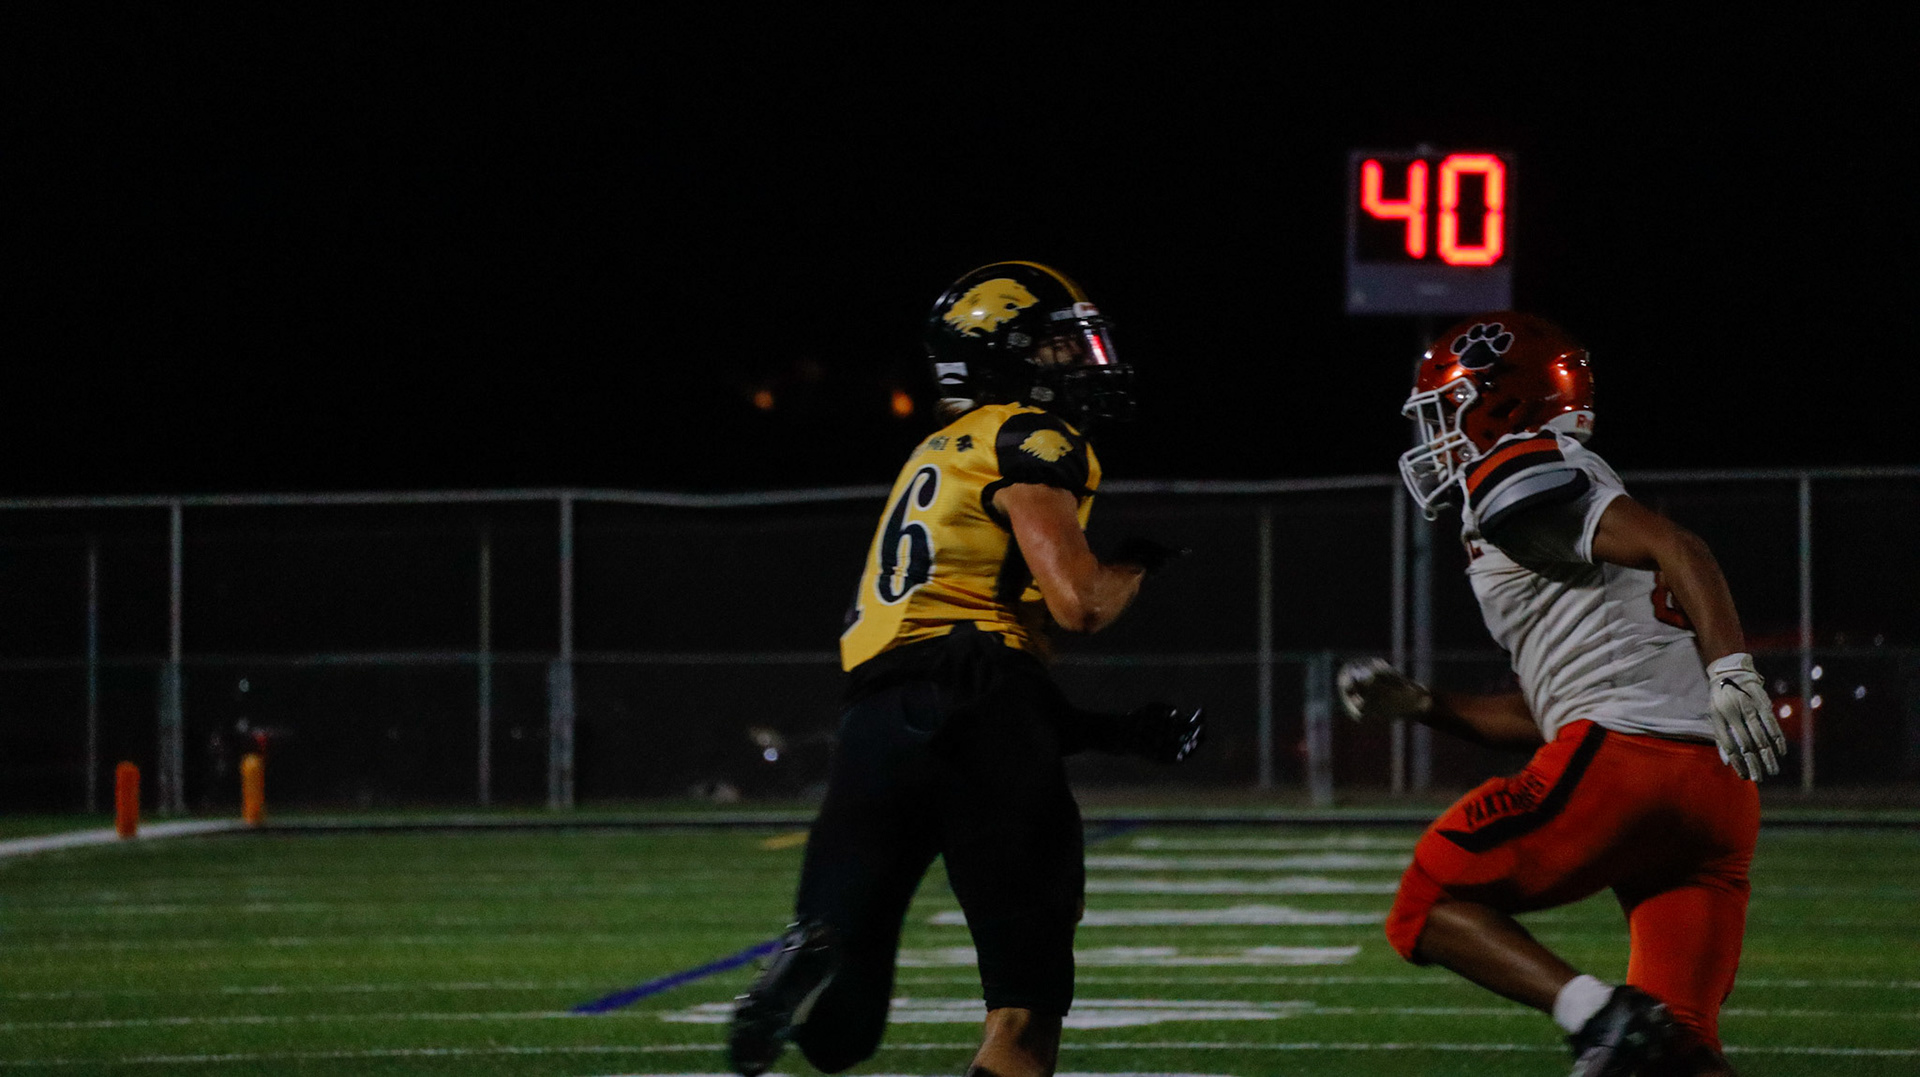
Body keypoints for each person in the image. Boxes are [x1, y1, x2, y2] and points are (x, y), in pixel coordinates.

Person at [726, 261, 1204, 1077]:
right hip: (986, 718)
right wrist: (1136, 563)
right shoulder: (1030, 435)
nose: (1082, 361)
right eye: (1058, 346)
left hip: (874, 727)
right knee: (1024, 1010)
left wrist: (1114, 730)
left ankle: (810, 962)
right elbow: (1076, 606)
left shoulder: (933, 455)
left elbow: (950, 669)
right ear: (1002, 357)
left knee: (841, 1033)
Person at [1338, 312, 1788, 1077]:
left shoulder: (1519, 462)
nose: (1436, 435)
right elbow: (1543, 714)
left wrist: (1731, 667)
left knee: (1427, 901)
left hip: (1626, 764)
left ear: (1503, 403)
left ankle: (1599, 1015)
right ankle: (1629, 1030)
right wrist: (1423, 705)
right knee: (1679, 1051)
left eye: (1448, 409)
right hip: (1714, 790)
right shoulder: (1559, 494)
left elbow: (1679, 546)